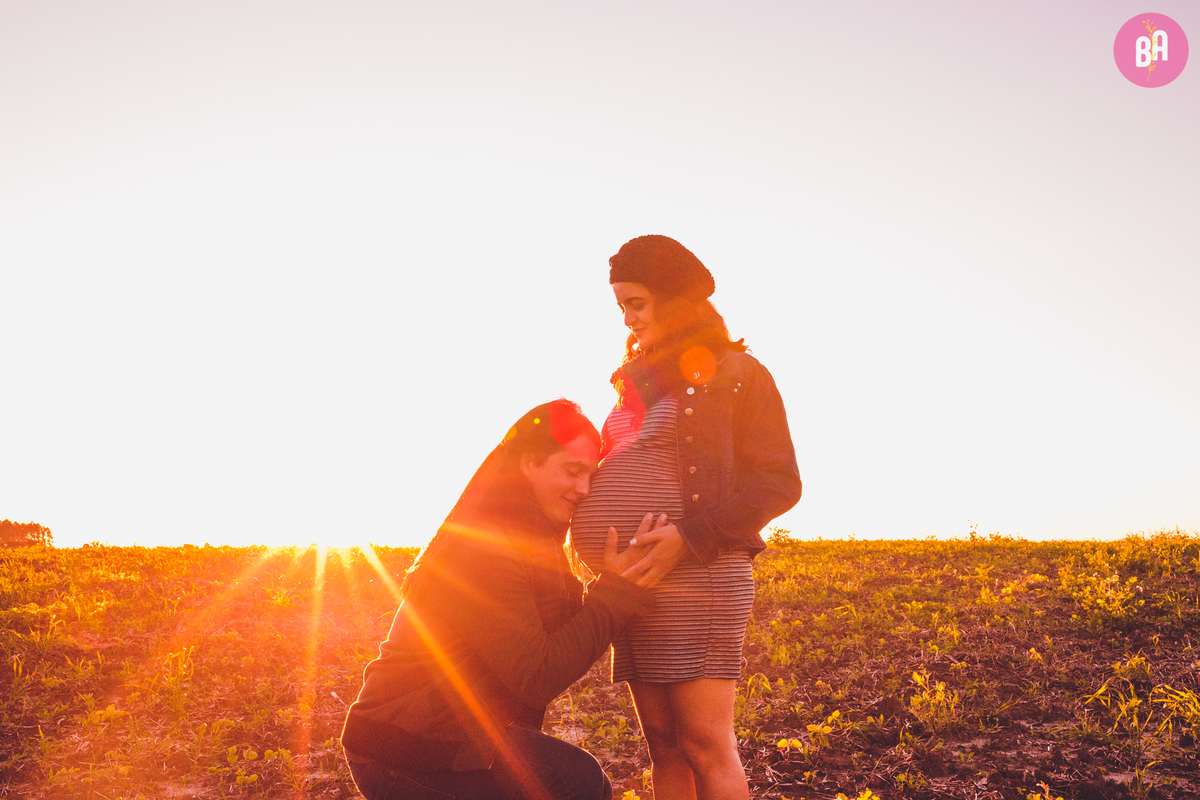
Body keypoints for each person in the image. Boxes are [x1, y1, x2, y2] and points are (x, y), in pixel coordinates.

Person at [569, 235, 802, 800]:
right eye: (620, 306)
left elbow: (780, 482)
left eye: (636, 303)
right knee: (665, 748)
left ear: (674, 300)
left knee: (704, 743)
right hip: (635, 587)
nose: (626, 317)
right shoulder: (632, 385)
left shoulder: (738, 373)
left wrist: (688, 537)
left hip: (701, 576)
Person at [341, 400, 668, 800]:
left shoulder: (530, 542)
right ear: (528, 463)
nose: (583, 489)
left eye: (591, 476)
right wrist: (615, 592)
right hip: (401, 750)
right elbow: (537, 675)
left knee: (579, 782)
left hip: (450, 738)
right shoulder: (485, 550)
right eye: (571, 470)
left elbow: (559, 644)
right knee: (575, 782)